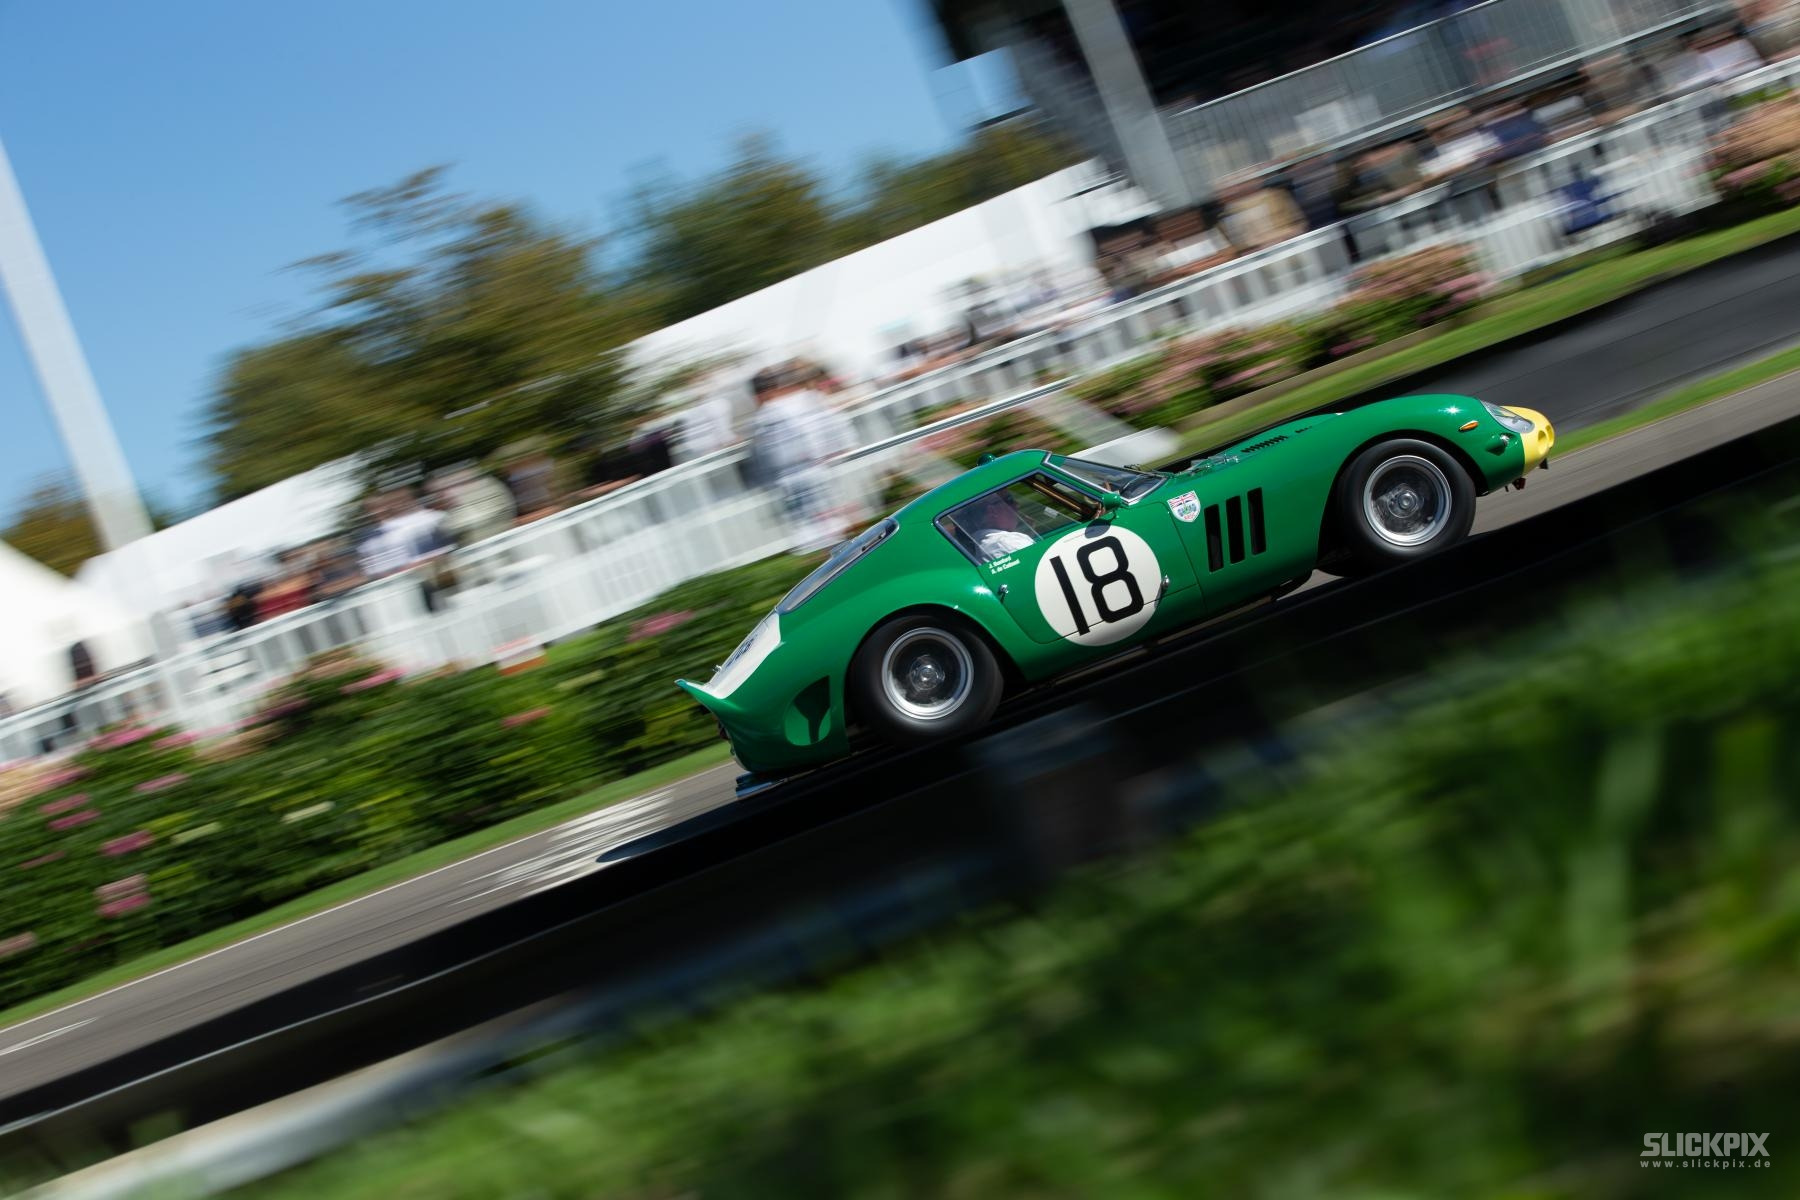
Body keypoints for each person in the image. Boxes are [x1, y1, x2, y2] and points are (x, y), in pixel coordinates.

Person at [961, 491, 1036, 561]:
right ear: (992, 511)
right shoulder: (1008, 542)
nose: (1017, 504)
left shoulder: (977, 545)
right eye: (1009, 500)